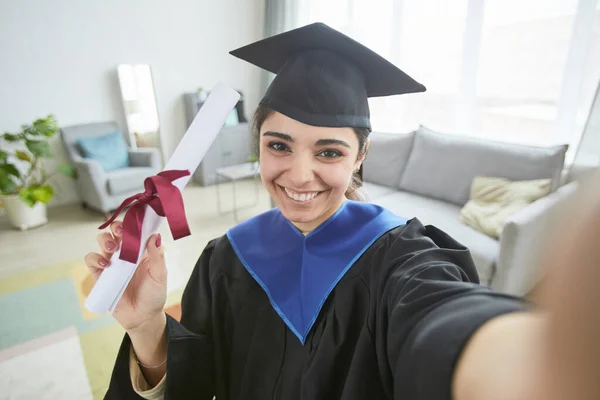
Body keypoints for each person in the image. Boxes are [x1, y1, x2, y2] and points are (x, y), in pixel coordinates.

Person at [84, 23, 600, 400]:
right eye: (278, 145)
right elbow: (196, 384)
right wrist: (147, 325)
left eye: (328, 151)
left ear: (361, 155)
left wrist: (543, 359)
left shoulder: (402, 260)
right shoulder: (228, 259)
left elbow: (442, 319)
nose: (299, 174)